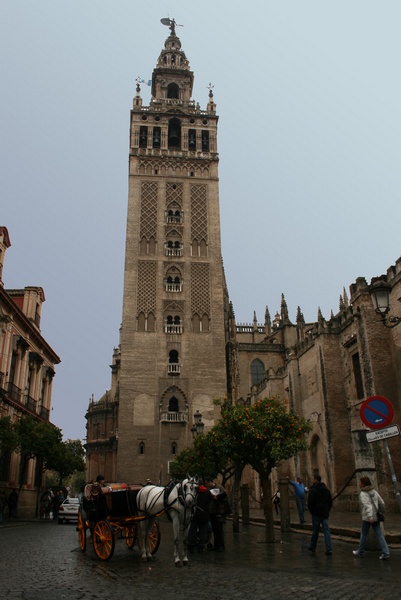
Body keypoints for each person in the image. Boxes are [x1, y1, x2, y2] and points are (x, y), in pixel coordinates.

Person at [352, 476, 390, 560]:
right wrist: (381, 512)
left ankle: (360, 551)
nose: (359, 484)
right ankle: (386, 552)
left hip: (368, 518)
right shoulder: (374, 491)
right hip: (376, 516)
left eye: (360, 482)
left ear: (363, 484)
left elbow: (367, 506)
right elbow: (382, 503)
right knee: (380, 535)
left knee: (364, 534)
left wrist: (370, 517)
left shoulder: (363, 493)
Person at [307, 474, 333, 555]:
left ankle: (313, 546)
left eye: (313, 479)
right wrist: (327, 510)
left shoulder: (314, 490)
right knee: (326, 531)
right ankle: (329, 549)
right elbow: (330, 501)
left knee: (315, 531)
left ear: (316, 480)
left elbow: (310, 502)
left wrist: (312, 511)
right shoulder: (326, 489)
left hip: (316, 513)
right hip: (324, 513)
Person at [188, 481, 212, 553]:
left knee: (193, 531)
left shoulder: (195, 492)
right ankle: (200, 546)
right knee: (203, 532)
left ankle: (192, 546)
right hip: (205, 514)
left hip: (196, 514)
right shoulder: (208, 492)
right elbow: (209, 501)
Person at [205, 477, 228, 552]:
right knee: (214, 529)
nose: (207, 485)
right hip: (212, 512)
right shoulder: (208, 490)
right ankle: (216, 545)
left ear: (210, 481)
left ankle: (221, 546)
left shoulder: (219, 487)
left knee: (219, 529)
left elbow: (225, 496)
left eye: (207, 483)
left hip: (219, 511)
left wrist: (217, 498)